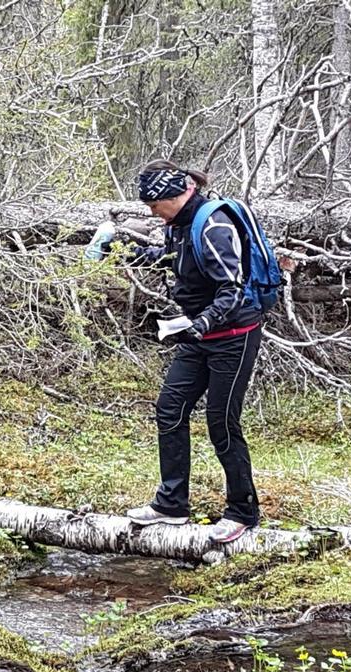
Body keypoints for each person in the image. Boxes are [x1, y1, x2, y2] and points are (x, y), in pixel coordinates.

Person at [116, 160, 263, 544]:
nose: (150, 211)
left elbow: (232, 289)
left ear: (176, 194)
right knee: (170, 408)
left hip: (234, 334)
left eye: (153, 204)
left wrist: (201, 324)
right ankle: (172, 505)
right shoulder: (179, 225)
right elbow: (174, 261)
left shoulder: (212, 225)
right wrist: (129, 253)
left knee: (222, 423)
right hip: (200, 333)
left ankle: (242, 512)